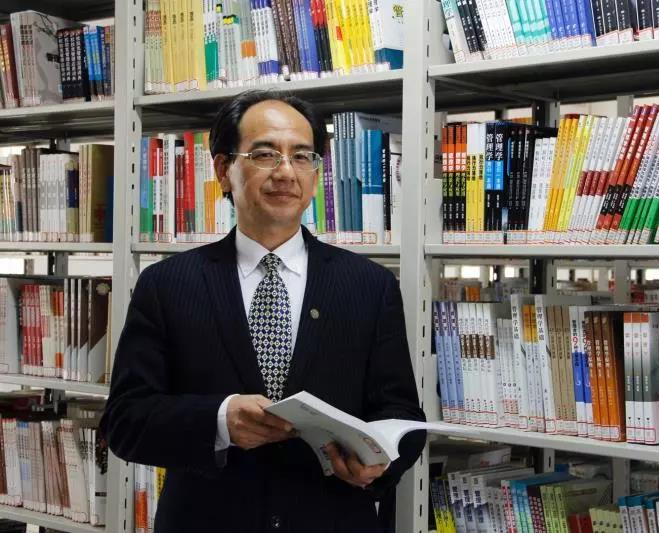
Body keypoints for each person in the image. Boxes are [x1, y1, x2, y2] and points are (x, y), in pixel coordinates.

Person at [100, 90, 426, 533]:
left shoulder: (370, 285)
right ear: (223, 170)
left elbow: (403, 416)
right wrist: (220, 420)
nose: (286, 172)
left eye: (302, 156)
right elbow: (125, 421)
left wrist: (379, 465)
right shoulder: (167, 284)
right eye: (265, 154)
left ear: (316, 174)